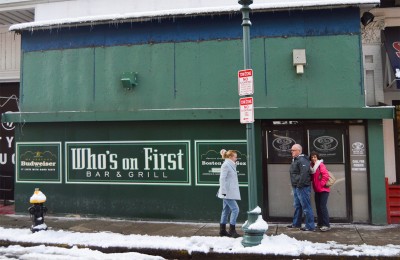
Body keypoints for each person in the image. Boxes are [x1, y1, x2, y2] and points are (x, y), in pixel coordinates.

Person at [287, 144, 315, 231]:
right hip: (296, 186)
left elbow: (304, 174)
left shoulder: (302, 160)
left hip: (302, 187)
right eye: (291, 150)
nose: (291, 152)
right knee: (297, 205)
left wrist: (299, 185)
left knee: (306, 207)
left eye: (293, 150)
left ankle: (310, 226)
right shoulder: (296, 159)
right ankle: (296, 224)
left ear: (299, 151)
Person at [217, 149, 241, 238]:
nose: (236, 158)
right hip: (227, 192)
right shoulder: (226, 165)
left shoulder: (230, 164)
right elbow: (222, 179)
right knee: (235, 209)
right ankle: (232, 230)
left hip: (229, 191)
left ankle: (222, 230)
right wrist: (223, 191)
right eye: (235, 156)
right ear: (230, 157)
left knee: (226, 210)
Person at [310, 151, 331, 232]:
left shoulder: (320, 165)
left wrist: (321, 184)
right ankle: (320, 223)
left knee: (322, 206)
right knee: (318, 207)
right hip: (317, 190)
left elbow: (325, 175)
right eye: (312, 157)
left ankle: (326, 225)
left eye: (315, 157)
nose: (313, 158)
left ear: (317, 157)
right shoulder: (312, 167)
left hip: (324, 190)